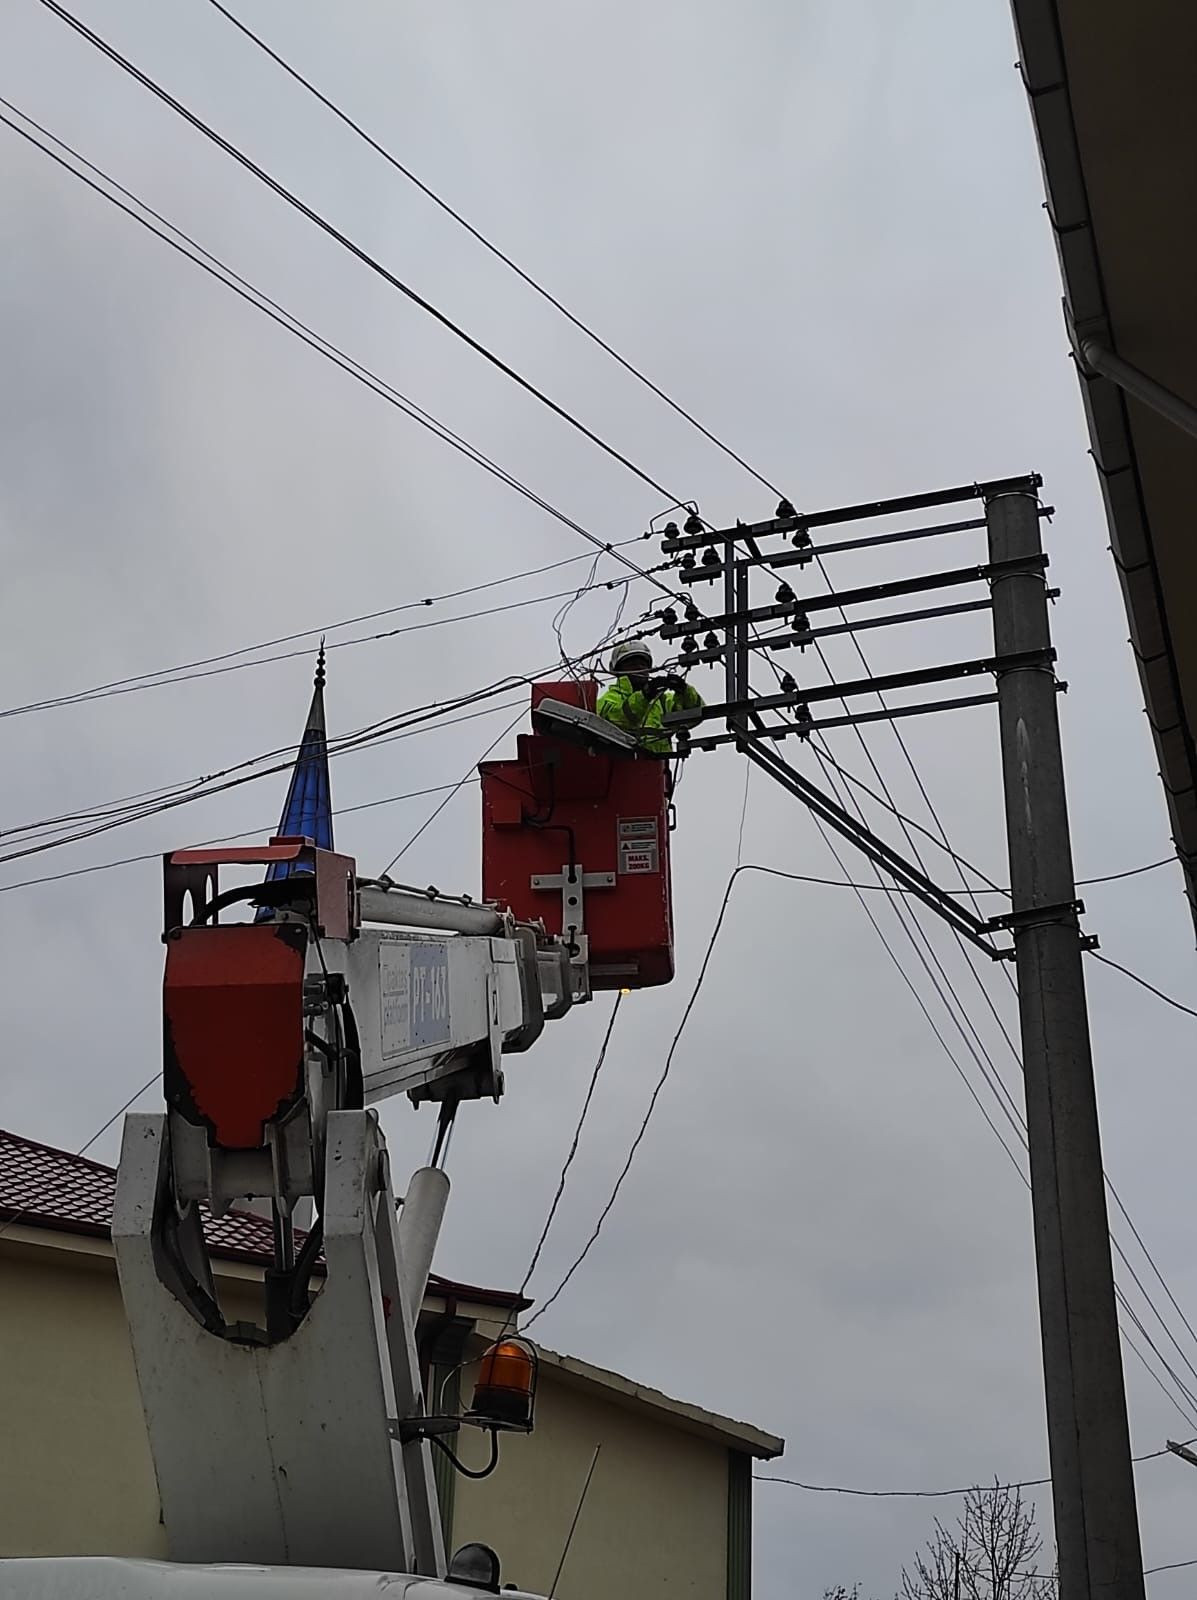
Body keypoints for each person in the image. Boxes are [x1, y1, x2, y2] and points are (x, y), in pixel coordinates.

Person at [596, 640, 703, 754]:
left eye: (643, 664)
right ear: (618, 671)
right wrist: (645, 695)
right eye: (632, 664)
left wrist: (684, 690)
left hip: (658, 768)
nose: (639, 667)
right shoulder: (607, 700)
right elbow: (621, 718)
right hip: (625, 766)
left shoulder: (661, 701)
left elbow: (696, 713)